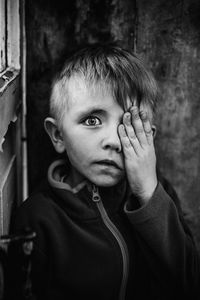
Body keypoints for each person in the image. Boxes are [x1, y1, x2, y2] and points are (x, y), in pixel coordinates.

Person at [7, 44, 200, 300]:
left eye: (128, 125)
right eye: (92, 120)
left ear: (148, 139)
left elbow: (188, 283)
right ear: (57, 135)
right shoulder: (38, 218)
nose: (114, 141)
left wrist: (148, 193)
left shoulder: (157, 196)